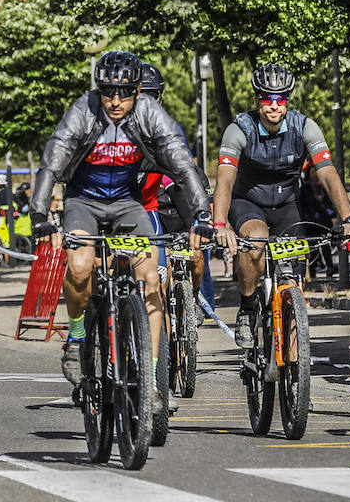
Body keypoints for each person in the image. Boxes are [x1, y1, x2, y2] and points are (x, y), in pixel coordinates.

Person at [27, 50, 213, 391]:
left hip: (128, 202)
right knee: (80, 267)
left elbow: (183, 165)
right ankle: (78, 337)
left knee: (151, 279)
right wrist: (39, 214)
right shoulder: (83, 112)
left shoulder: (149, 114)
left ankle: (152, 380)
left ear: (137, 91)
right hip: (84, 200)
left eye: (125, 93)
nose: (116, 101)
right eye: (108, 92)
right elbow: (52, 163)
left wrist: (202, 213)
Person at [212, 62, 350, 349]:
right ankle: (247, 307)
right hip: (248, 203)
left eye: (280, 99)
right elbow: (225, 180)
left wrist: (349, 219)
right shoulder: (239, 129)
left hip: (288, 205)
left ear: (287, 101)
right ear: (257, 99)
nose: (273, 105)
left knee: (294, 275)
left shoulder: (304, 127)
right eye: (267, 99)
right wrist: (220, 224)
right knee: (255, 240)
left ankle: (294, 357)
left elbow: (328, 174)